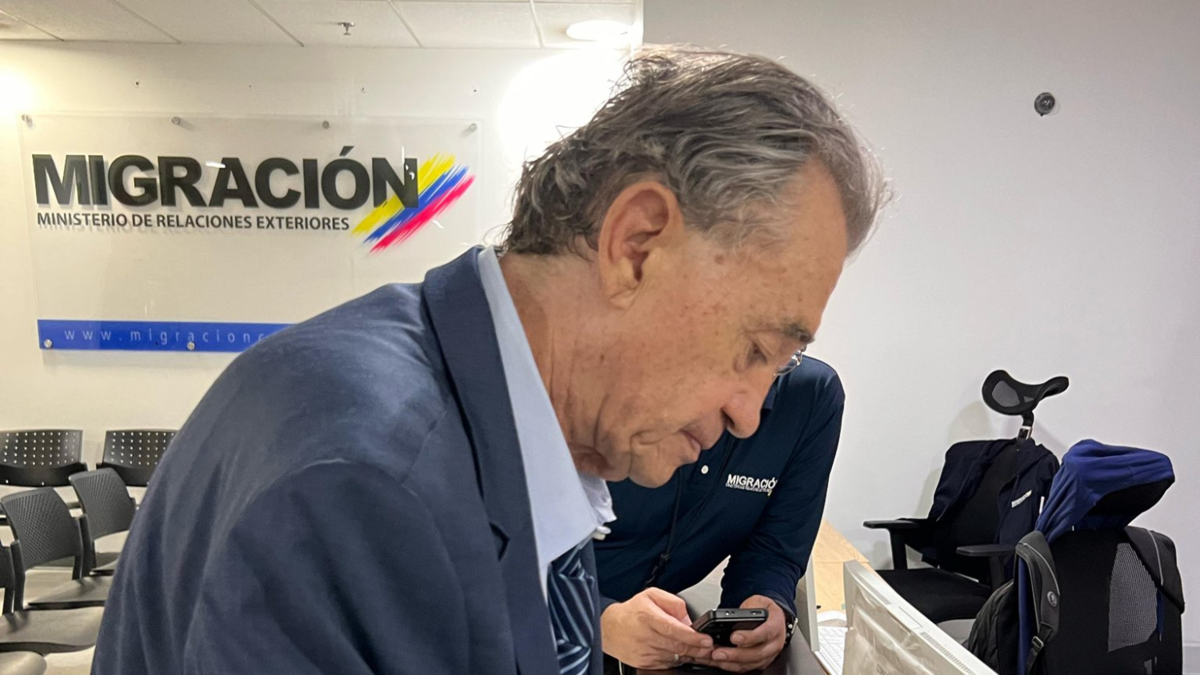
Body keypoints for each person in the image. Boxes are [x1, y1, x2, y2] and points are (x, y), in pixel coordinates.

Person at [93, 47, 885, 675]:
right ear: (638, 244)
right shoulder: (370, 486)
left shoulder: (500, 421)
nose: (749, 412)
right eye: (756, 349)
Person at [596, 358, 845, 673]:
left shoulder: (810, 397)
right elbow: (534, 562)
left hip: (660, 648)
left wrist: (765, 603)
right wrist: (599, 621)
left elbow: (773, 550)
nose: (746, 423)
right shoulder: (601, 379)